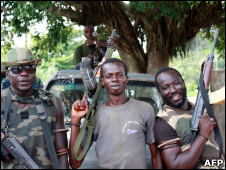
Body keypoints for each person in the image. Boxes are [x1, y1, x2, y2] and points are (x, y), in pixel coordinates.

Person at [69, 58, 162, 169]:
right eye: (109, 76)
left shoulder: (145, 109)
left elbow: (155, 155)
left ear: (126, 79)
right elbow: (75, 163)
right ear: (102, 81)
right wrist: (75, 121)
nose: (114, 79)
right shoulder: (95, 116)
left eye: (119, 75)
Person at [1, 48, 69, 169]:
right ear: (7, 74)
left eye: (29, 68)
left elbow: (62, 153)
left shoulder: (52, 102)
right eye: (17, 70)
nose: (24, 74)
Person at [154, 67, 225, 169]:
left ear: (183, 82)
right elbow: (176, 165)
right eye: (166, 87)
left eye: (176, 83)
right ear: (159, 91)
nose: (173, 90)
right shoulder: (163, 122)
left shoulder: (199, 108)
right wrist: (203, 134)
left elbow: (216, 144)